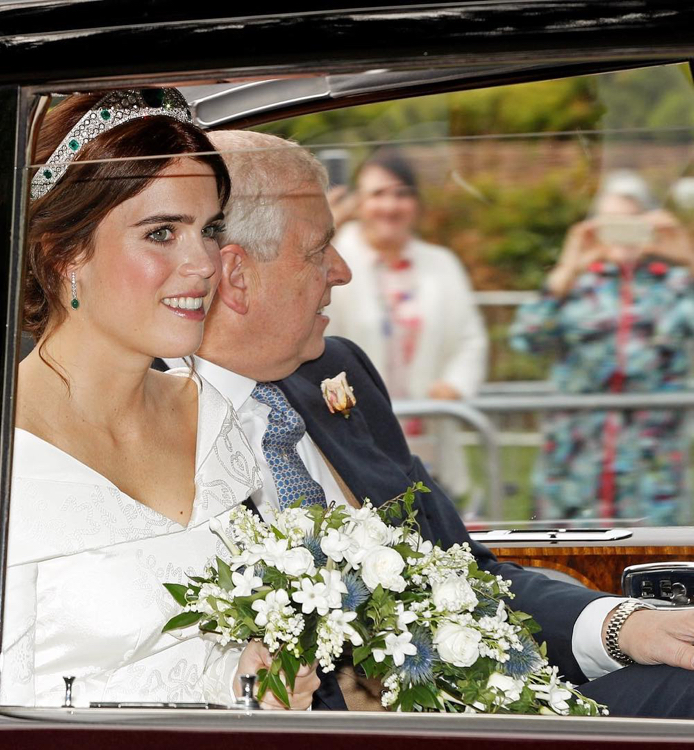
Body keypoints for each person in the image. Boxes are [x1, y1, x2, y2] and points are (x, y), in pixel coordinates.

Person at [160, 132, 694, 718]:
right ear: (236, 275)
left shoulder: (337, 373)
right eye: (318, 250)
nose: (342, 271)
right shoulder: (138, 424)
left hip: (481, 707)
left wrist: (623, 626)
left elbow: (464, 571)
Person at [0, 90, 319, 709]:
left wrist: (248, 682)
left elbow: (205, 660)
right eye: (161, 233)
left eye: (209, 230)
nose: (204, 263)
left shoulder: (213, 417)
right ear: (64, 253)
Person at [510, 171, 694, 525]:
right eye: (611, 223)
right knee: (571, 554)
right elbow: (526, 338)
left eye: (632, 221)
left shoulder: (676, 286)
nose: (622, 233)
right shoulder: (578, 285)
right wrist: (567, 268)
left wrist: (688, 258)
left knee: (651, 555)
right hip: (575, 464)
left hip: (651, 469)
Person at [325, 148, 488, 498]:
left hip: (427, 433)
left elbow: (470, 339)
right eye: (378, 194)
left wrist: (454, 385)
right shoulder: (332, 260)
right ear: (358, 201)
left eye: (402, 193)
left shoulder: (441, 263)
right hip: (355, 434)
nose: (390, 205)